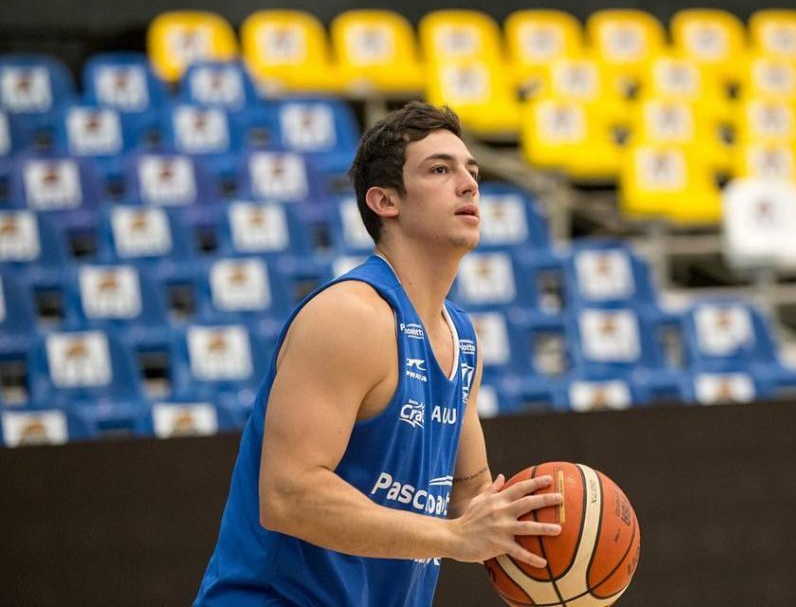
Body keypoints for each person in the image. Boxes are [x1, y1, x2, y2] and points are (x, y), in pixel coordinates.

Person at [194, 102, 563, 606]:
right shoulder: (349, 316)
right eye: (440, 169)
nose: (469, 183)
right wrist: (455, 538)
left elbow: (468, 496)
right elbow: (288, 496)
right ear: (385, 201)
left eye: (471, 171)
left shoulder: (461, 335)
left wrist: (555, 538)